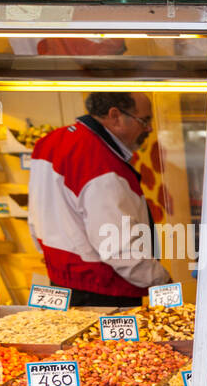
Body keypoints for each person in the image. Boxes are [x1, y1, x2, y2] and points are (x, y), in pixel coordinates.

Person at [28, 91, 170, 306]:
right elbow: (119, 248)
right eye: (145, 120)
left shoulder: (51, 142)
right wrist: (162, 283)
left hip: (62, 282)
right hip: (102, 291)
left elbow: (35, 219)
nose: (149, 128)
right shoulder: (101, 164)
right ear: (115, 116)